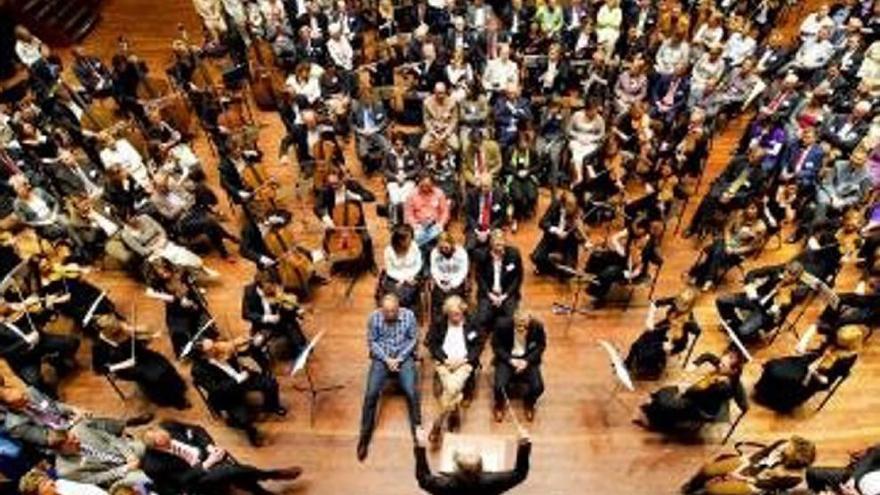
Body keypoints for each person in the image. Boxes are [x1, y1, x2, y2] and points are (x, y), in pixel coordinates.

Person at [141, 420, 302, 495]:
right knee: (230, 470)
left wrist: (209, 446)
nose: (170, 443)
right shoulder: (153, 465)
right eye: (165, 444)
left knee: (236, 470)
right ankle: (271, 475)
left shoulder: (167, 426)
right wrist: (208, 464)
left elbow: (197, 429)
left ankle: (258, 490)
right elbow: (182, 480)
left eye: (169, 439)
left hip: (205, 454)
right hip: (195, 476)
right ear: (155, 447)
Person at [357, 294, 422, 462]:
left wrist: (399, 358)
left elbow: (413, 339)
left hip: (403, 356)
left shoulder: (409, 316)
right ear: (381, 309)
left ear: (398, 308)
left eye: (393, 311)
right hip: (382, 357)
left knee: (412, 392)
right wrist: (387, 359)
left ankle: (417, 432)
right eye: (386, 312)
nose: (390, 315)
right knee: (371, 393)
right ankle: (364, 436)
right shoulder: (374, 317)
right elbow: (372, 342)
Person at [191, 337, 286, 446]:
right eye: (211, 349)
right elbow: (216, 389)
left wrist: (251, 344)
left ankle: (271, 406)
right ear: (203, 355)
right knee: (244, 420)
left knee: (271, 384)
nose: (216, 347)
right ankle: (251, 434)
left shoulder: (221, 348)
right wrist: (238, 379)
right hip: (228, 395)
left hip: (242, 377)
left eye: (214, 344)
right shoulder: (198, 370)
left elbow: (244, 352)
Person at [636, 349, 749, 435]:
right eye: (720, 362)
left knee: (668, 402)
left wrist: (684, 390)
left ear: (734, 371)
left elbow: (698, 394)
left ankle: (653, 420)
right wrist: (695, 364)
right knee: (666, 391)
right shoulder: (724, 369)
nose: (719, 365)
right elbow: (708, 355)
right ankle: (652, 410)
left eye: (723, 365)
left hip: (703, 408)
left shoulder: (724, 387)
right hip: (700, 394)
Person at [91, 314, 190, 410]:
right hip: (126, 368)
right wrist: (124, 364)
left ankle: (178, 388)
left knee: (164, 364)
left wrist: (151, 336)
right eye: (116, 333)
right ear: (105, 332)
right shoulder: (99, 347)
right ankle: (171, 400)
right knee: (154, 376)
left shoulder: (120, 329)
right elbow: (98, 369)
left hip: (140, 354)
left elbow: (136, 340)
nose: (120, 334)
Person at [754, 325, 862, 412]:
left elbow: (827, 380)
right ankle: (763, 393)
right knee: (775, 366)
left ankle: (775, 401)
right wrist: (803, 343)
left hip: (818, 377)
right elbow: (814, 327)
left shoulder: (848, 359)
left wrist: (815, 374)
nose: (835, 340)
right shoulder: (837, 334)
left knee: (788, 378)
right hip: (811, 360)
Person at [413, 423, 531, 495]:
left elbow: (423, 479)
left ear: (456, 468)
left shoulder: (446, 485)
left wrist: (421, 445)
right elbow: (520, 473)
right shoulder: (492, 482)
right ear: (481, 467)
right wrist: (523, 444)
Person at [425, 295, 480, 443]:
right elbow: (431, 344)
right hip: (445, 363)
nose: (455, 317)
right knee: (453, 388)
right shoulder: (439, 323)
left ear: (463, 311)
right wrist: (444, 359)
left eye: (457, 314)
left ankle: (437, 424)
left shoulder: (472, 322)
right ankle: (454, 413)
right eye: (451, 315)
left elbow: (477, 346)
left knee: (451, 387)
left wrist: (464, 360)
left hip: (464, 363)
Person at [681, 436, 817, 495]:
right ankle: (692, 487)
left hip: (757, 482)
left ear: (791, 460)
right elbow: (761, 454)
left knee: (714, 491)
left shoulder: (794, 478)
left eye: (787, 449)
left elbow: (766, 484)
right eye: (788, 444)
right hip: (752, 464)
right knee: (707, 470)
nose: (783, 446)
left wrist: (741, 478)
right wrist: (742, 468)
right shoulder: (783, 443)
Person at [625, 289, 700, 381]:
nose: (678, 306)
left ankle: (654, 368)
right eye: (679, 301)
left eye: (684, 304)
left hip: (675, 342)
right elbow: (655, 303)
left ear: (690, 306)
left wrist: (670, 344)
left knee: (649, 351)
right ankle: (628, 363)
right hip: (665, 328)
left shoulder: (689, 321)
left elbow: (695, 332)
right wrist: (650, 318)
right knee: (640, 341)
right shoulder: (675, 301)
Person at [492, 311, 546, 422]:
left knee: (538, 387)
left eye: (525, 326)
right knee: (499, 386)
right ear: (513, 322)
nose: (521, 329)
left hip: (528, 360)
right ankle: (499, 405)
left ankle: (529, 403)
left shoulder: (537, 327)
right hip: (508, 359)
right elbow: (496, 346)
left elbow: (541, 346)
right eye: (518, 326)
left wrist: (526, 361)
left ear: (529, 322)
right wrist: (510, 360)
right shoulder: (502, 325)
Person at [473, 230, 523, 335]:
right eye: (497, 245)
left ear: (505, 242)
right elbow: (479, 278)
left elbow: (517, 278)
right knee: (481, 319)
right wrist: (490, 295)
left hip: (507, 293)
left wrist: (504, 296)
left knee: (511, 319)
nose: (500, 247)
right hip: (488, 293)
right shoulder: (482, 255)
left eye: (502, 243)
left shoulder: (514, 254)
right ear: (491, 244)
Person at [530, 190, 585, 278]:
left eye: (574, 205)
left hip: (569, 244)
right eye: (570, 206)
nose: (573, 208)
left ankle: (557, 263)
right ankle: (554, 265)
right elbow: (542, 223)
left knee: (568, 273)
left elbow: (581, 239)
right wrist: (557, 231)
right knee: (536, 258)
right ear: (563, 205)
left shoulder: (577, 212)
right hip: (551, 239)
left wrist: (581, 235)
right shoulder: (555, 205)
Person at [380, 224, 423, 310]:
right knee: (395, 294)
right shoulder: (389, 251)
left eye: (411, 237)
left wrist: (407, 278)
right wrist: (401, 279)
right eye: (408, 238)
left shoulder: (414, 246)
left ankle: (407, 315)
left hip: (412, 276)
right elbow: (390, 270)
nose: (411, 240)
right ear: (399, 240)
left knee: (407, 293)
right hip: (394, 278)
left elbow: (418, 264)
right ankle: (396, 312)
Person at [428, 232, 469, 320]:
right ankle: (438, 324)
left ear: (451, 244)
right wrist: (441, 283)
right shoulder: (434, 252)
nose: (444, 250)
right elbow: (434, 270)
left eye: (446, 247)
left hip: (456, 281)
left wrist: (453, 284)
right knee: (438, 298)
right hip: (441, 282)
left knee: (452, 298)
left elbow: (463, 271)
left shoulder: (461, 252)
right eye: (441, 248)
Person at [403, 173, 450, 248]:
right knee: (417, 238)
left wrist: (440, 224)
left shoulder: (439, 193)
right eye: (423, 185)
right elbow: (408, 214)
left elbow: (445, 211)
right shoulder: (411, 195)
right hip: (418, 225)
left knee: (443, 239)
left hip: (435, 225)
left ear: (432, 184)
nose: (425, 188)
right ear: (419, 183)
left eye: (427, 186)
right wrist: (415, 226)